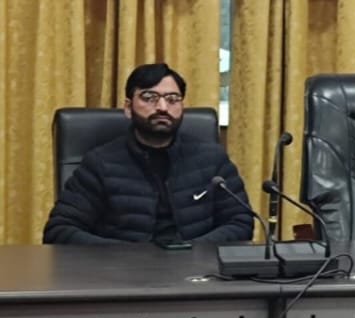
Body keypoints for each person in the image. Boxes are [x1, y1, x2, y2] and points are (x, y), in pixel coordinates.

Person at [42, 63, 253, 246]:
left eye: (172, 99)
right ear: (128, 107)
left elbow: (240, 221)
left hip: (198, 270)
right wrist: (129, 256)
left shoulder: (211, 159)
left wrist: (190, 251)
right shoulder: (100, 163)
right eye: (150, 98)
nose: (162, 107)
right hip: (124, 272)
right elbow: (60, 230)